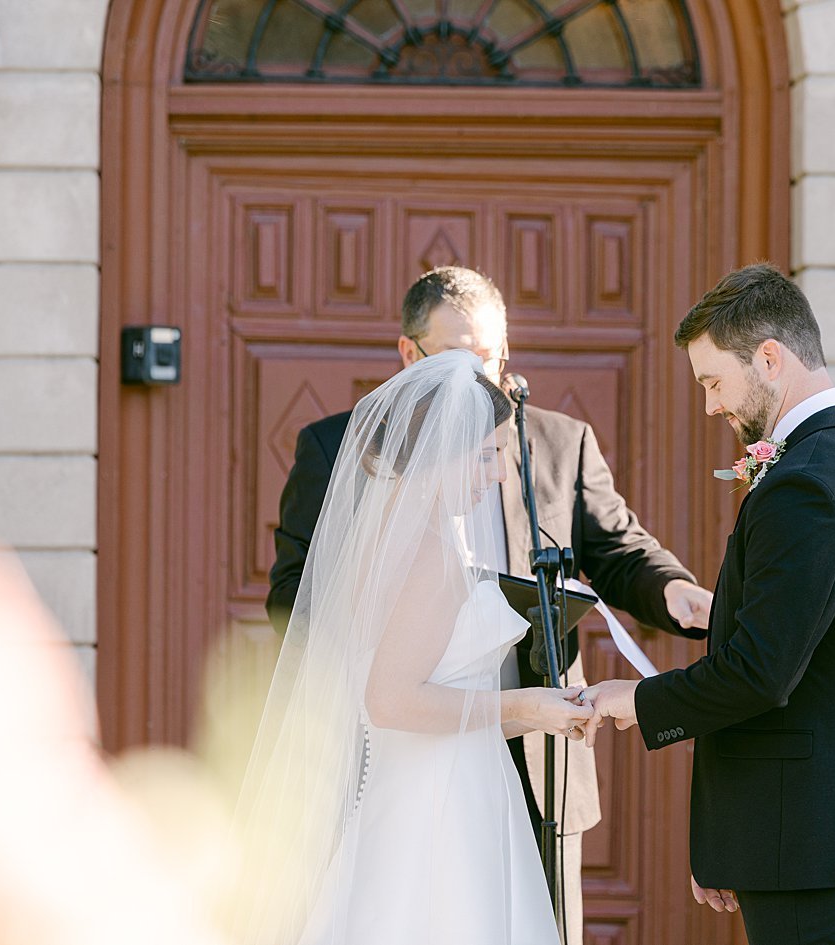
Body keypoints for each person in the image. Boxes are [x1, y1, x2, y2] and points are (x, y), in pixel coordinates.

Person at [267, 266, 710, 932]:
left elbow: (618, 547)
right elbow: (296, 594)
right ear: (409, 355)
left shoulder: (561, 441)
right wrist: (375, 652)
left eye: (491, 357)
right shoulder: (338, 446)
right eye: (457, 357)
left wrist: (676, 590)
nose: (479, 375)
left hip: (536, 759)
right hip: (405, 754)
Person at [581, 264, 835, 945]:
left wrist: (635, 698)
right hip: (803, 838)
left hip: (816, 841)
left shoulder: (808, 483)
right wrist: (731, 840)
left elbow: (759, 674)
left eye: (714, 381)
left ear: (770, 358)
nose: (710, 405)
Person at [233, 349, 593, 945]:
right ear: (437, 456)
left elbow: (431, 701)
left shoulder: (396, 535)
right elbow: (392, 702)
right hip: (436, 816)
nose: (500, 474)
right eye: (486, 457)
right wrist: (527, 708)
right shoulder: (426, 551)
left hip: (431, 788)